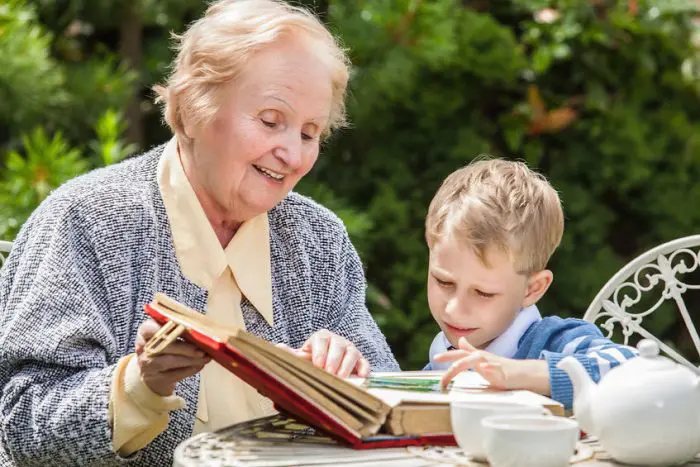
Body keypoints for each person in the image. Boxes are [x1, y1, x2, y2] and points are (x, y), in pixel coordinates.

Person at [0, 1, 399, 465]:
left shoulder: (320, 239)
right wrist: (139, 385)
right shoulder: (86, 219)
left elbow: (389, 408)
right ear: (192, 110)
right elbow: (20, 426)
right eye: (271, 121)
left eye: (310, 134)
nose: (292, 153)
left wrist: (348, 377)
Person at [422, 159, 636, 409]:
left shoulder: (556, 341)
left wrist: (520, 374)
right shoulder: (441, 354)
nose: (453, 310)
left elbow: (633, 368)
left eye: (483, 293)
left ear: (532, 289)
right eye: (443, 281)